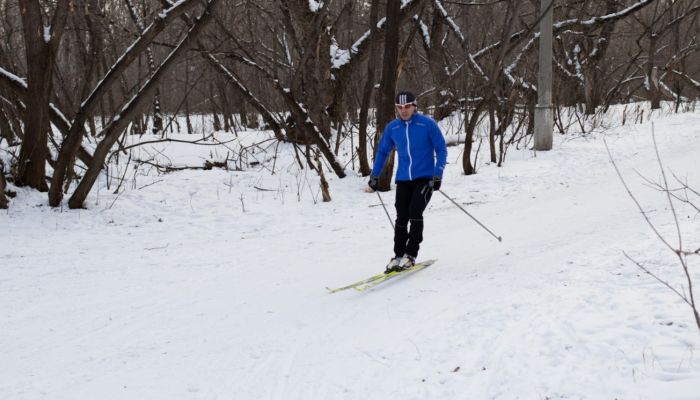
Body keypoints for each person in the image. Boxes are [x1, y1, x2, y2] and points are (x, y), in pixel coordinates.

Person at [368, 90, 447, 273]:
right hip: (403, 178)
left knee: (415, 211)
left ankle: (410, 255)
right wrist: (374, 175)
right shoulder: (393, 128)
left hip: (425, 178)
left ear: (414, 106)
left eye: (407, 106)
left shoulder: (427, 124)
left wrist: (438, 174)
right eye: (400, 107)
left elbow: (441, 149)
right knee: (401, 215)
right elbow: (383, 151)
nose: (403, 110)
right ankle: (398, 256)